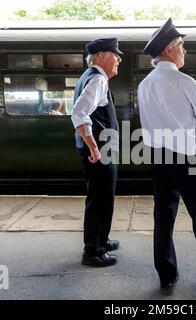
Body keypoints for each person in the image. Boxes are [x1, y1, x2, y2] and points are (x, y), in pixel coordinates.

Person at [138, 18, 196, 295]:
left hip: (159, 157)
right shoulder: (185, 82)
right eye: (182, 45)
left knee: (163, 216)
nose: (184, 51)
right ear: (168, 50)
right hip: (191, 158)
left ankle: (167, 277)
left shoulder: (145, 85)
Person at [71, 38, 122, 267]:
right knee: (100, 200)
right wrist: (93, 146)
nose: (119, 58)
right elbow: (79, 113)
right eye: (115, 54)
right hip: (99, 151)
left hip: (99, 150)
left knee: (101, 197)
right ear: (102, 55)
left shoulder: (88, 75)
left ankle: (101, 239)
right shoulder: (98, 78)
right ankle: (93, 251)